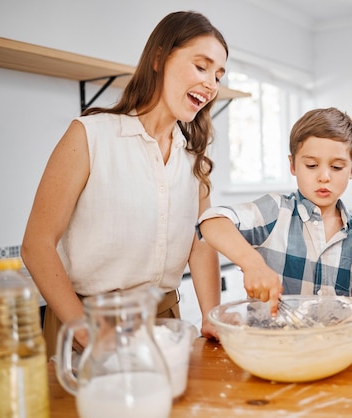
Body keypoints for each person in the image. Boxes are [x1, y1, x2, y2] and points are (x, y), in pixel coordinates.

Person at [20, 11, 227, 358]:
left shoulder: (194, 160)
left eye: (219, 76)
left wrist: (211, 314)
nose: (211, 84)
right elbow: (37, 245)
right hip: (84, 326)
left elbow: (200, 241)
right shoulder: (90, 134)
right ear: (159, 58)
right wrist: (84, 333)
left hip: (165, 324)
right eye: (202, 67)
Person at [198, 107, 352, 315]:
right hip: (272, 345)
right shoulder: (276, 211)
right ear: (292, 165)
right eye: (311, 165)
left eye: (337, 167)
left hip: (336, 346)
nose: (324, 176)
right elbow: (211, 220)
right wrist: (253, 264)